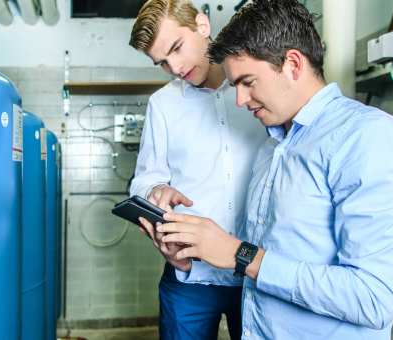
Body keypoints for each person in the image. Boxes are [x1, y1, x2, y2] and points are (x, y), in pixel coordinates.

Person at [149, 0, 393, 338]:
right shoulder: (273, 146)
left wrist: (239, 254)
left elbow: (372, 299)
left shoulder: (366, 137)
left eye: (248, 82)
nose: (240, 100)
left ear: (293, 64)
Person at [128, 0, 267, 338]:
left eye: (176, 48)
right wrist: (154, 193)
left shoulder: (257, 87)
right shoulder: (163, 105)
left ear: (202, 26)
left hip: (258, 271)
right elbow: (144, 180)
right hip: (189, 276)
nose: (175, 67)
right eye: (162, 62)